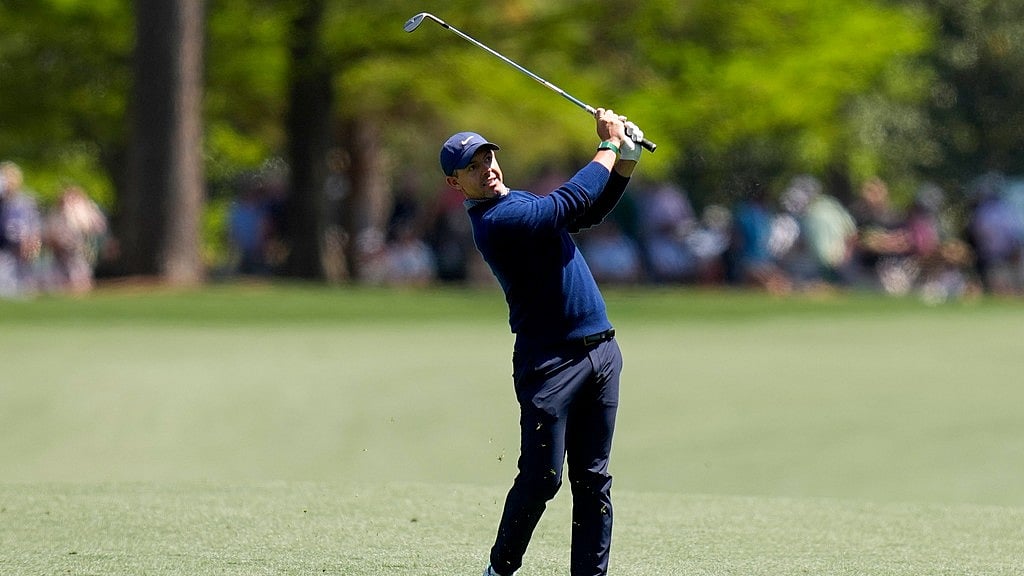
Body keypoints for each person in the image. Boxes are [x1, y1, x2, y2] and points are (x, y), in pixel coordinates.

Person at [439, 108, 642, 576]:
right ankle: (500, 569)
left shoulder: (517, 202)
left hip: (601, 352)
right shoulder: (497, 220)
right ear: (456, 184)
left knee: (593, 480)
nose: (487, 168)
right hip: (550, 363)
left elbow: (586, 212)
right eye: (472, 166)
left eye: (489, 157)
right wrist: (608, 146)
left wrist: (625, 163)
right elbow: (566, 204)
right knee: (542, 479)